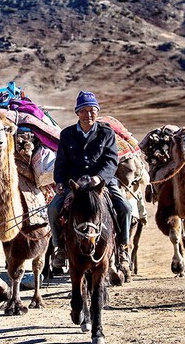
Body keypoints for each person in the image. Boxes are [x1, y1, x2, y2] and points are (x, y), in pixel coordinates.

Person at [47, 91, 132, 271]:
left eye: (92, 110)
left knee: (125, 207)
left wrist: (99, 178)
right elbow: (61, 163)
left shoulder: (106, 133)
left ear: (97, 112)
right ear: (77, 113)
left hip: (102, 184)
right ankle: (60, 248)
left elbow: (111, 160)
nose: (89, 114)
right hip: (76, 186)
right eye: (84, 110)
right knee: (53, 209)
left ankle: (123, 247)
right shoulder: (67, 134)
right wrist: (60, 182)